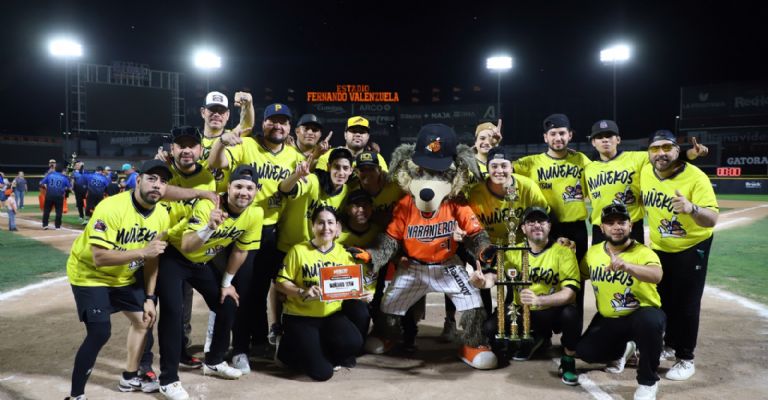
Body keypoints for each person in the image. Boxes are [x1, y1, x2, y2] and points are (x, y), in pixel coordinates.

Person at [64, 159, 172, 400]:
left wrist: (150, 298)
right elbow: (99, 257)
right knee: (100, 331)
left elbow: (153, 261)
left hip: (123, 277)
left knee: (144, 320)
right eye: (152, 178)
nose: (157, 185)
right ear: (138, 179)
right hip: (90, 275)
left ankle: (129, 376)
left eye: (163, 182)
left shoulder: (163, 215)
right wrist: (143, 252)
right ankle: (76, 396)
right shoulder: (111, 207)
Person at [156, 166, 263, 400]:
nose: (243, 192)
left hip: (201, 263)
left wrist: (226, 282)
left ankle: (214, 360)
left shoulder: (255, 214)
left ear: (256, 192)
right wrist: (208, 228)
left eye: (249, 188)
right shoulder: (209, 205)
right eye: (238, 186)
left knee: (228, 302)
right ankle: (168, 379)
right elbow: (186, 245)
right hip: (174, 259)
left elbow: (241, 251)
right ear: (228, 188)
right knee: (173, 314)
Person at [208, 103, 305, 361]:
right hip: (241, 228)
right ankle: (238, 345)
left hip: (273, 231)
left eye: (283, 121)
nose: (278, 125)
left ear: (289, 128)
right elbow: (216, 163)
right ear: (263, 123)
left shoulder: (295, 156)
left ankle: (261, 339)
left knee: (262, 289)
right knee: (242, 289)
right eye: (272, 120)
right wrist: (220, 143)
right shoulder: (247, 144)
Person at [640, 129, 718, 381]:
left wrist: (691, 208)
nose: (661, 153)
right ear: (649, 152)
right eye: (655, 148)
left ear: (676, 150)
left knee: (687, 303)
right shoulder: (645, 171)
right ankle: (669, 345)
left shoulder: (696, 177)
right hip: (660, 248)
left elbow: (712, 219)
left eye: (667, 148)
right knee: (663, 300)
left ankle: (686, 358)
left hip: (691, 247)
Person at [575, 203, 666, 400]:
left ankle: (648, 382)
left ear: (630, 226)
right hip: (610, 319)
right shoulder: (593, 253)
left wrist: (628, 266)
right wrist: (565, 250)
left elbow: (656, 275)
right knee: (585, 352)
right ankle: (625, 349)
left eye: (621, 222)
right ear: (602, 228)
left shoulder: (643, 252)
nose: (617, 227)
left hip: (641, 314)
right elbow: (579, 275)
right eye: (610, 223)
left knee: (650, 322)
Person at [472, 207, 580, 363]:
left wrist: (539, 300)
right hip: (522, 311)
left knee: (571, 314)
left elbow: (569, 293)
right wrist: (482, 282)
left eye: (541, 221)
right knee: (490, 329)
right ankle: (535, 338)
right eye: (531, 222)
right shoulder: (513, 251)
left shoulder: (563, 252)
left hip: (551, 311)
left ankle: (568, 356)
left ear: (549, 226)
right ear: (523, 228)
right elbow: (495, 276)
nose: (536, 225)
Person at [275, 206, 366, 381]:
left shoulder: (343, 253)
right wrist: (301, 291)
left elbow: (349, 286)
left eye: (330, 223)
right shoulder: (298, 251)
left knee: (353, 343)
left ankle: (315, 348)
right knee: (322, 373)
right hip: (300, 316)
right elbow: (280, 283)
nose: (326, 228)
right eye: (320, 223)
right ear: (312, 226)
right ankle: (286, 349)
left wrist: (362, 293)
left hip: (330, 315)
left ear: (337, 227)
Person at [585, 120, 709, 245]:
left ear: (618, 139)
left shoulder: (638, 158)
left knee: (634, 262)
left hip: (631, 226)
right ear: (593, 142)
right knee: (599, 264)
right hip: (600, 228)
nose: (605, 140)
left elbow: (666, 157)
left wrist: (693, 153)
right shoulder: (588, 168)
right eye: (599, 137)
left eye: (609, 136)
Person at [467, 147, 550, 334]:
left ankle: (526, 325)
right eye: (494, 166)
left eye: (504, 165)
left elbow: (544, 217)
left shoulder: (527, 187)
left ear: (511, 167)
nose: (499, 170)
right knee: (481, 285)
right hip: (488, 246)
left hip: (520, 247)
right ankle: (483, 325)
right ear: (487, 168)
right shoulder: (476, 192)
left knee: (519, 286)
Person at [513, 113, 590, 262]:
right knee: (549, 275)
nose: (558, 138)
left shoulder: (580, 159)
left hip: (577, 228)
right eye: (553, 134)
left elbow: (601, 171)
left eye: (562, 133)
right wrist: (492, 143)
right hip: (545, 227)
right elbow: (497, 169)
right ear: (545, 137)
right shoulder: (530, 163)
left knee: (578, 274)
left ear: (570, 135)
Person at [314, 116, 388, 172]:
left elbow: (385, 181)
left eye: (362, 132)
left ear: (368, 136)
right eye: (353, 131)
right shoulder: (330, 155)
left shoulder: (376, 158)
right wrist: (315, 156)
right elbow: (317, 180)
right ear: (345, 135)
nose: (358, 134)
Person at [39, 163, 72, 230]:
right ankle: (57, 226)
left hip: (49, 195)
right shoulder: (64, 178)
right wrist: (65, 188)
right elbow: (70, 188)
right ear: (62, 170)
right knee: (59, 211)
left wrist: (46, 187)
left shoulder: (50, 175)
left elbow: (41, 183)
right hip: (59, 196)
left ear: (55, 169)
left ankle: (45, 225)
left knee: (47, 211)